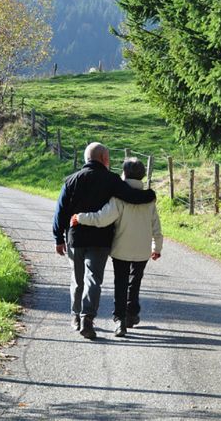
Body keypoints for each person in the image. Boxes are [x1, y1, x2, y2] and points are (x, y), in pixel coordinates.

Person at [53, 143, 156, 340]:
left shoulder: (71, 180)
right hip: (100, 240)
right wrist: (150, 195)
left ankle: (75, 316)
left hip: (75, 237)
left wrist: (58, 237)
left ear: (87, 159)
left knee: (77, 279)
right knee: (94, 279)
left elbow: (60, 211)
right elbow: (132, 197)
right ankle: (88, 318)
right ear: (104, 159)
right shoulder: (112, 180)